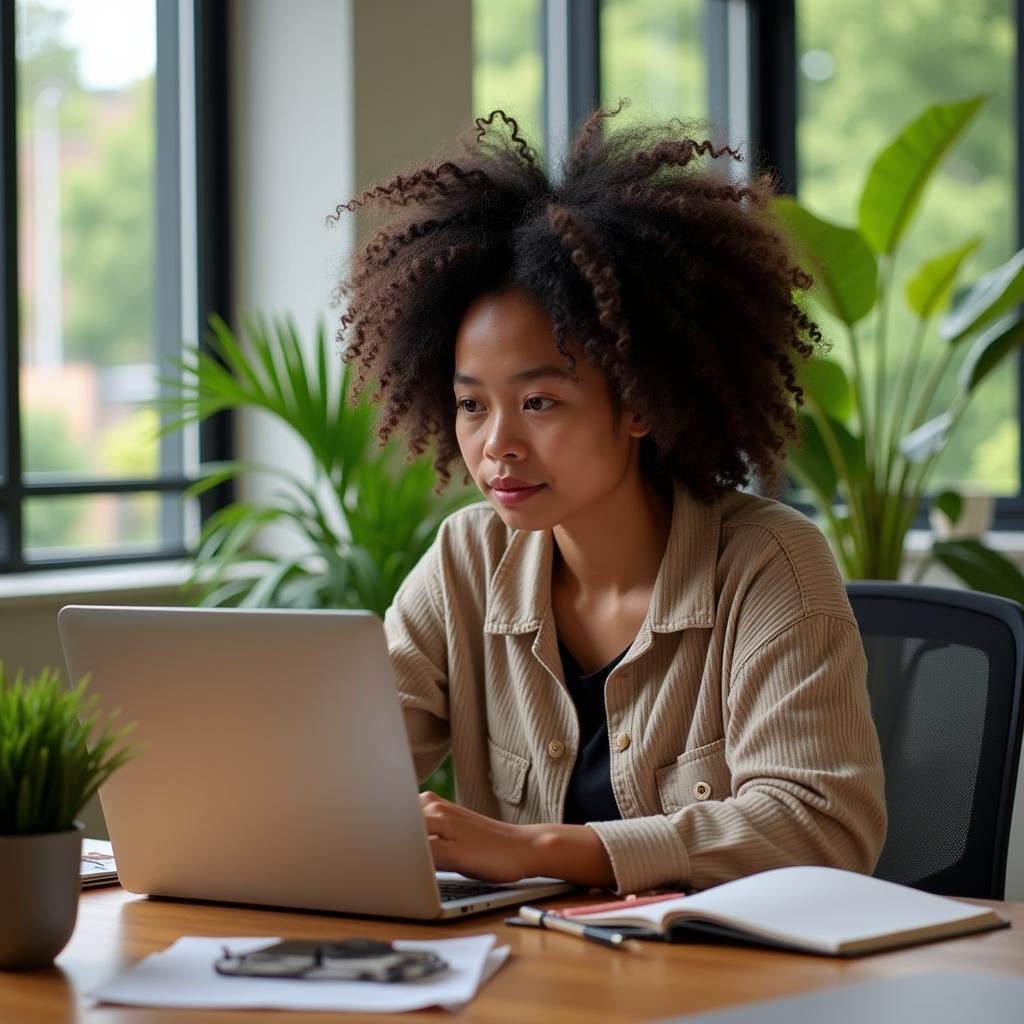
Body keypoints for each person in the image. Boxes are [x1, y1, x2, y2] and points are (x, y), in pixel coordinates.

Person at [327, 103, 886, 895]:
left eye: (541, 403)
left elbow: (821, 825)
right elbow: (345, 769)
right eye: (472, 404)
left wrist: (541, 850)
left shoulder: (768, 564)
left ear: (640, 403)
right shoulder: (467, 556)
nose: (498, 447)